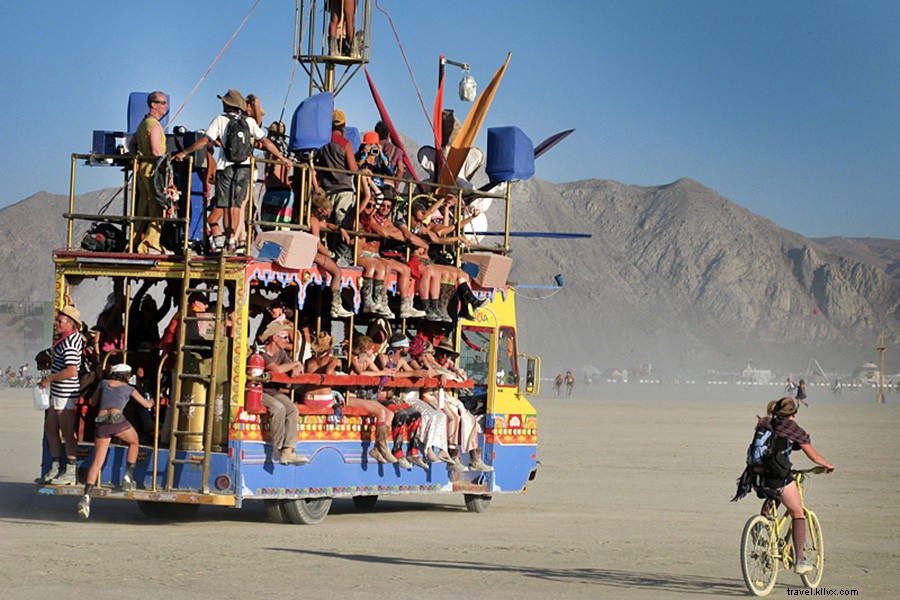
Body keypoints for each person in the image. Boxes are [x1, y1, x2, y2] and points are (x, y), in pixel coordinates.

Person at [173, 89, 290, 253]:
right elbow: (265, 142)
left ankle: (226, 242)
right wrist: (282, 158)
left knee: (225, 205)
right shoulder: (249, 122)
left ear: (226, 104)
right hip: (244, 168)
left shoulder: (220, 120)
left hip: (226, 167)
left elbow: (205, 140)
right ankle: (234, 241)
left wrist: (184, 152)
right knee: (236, 206)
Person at [755, 397, 834, 575]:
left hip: (756, 477)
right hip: (778, 476)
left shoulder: (765, 425)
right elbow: (813, 455)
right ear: (792, 414)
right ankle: (800, 559)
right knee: (798, 512)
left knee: (775, 495)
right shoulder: (791, 428)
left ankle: (761, 526)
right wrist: (827, 465)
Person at [77, 363, 155, 520]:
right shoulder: (129, 388)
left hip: (101, 421)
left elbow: (93, 402)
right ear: (126, 375)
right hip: (117, 419)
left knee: (97, 462)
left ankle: (86, 497)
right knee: (134, 441)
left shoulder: (103, 383)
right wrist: (152, 401)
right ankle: (128, 476)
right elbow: (145, 404)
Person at [36, 306, 84, 485]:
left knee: (67, 430)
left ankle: (71, 470)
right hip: (58, 392)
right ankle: (56, 466)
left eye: (60, 321)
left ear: (70, 324)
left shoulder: (69, 343)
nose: (56, 323)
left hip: (65, 392)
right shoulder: (70, 338)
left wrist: (49, 378)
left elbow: (71, 371)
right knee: (50, 427)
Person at [259, 321, 308, 465]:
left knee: (292, 409)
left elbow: (291, 369)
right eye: (285, 337)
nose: (287, 341)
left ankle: (288, 450)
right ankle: (278, 448)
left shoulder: (281, 354)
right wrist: (296, 364)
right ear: (275, 338)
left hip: (274, 391)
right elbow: (278, 369)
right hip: (259, 391)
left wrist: (296, 367)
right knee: (278, 408)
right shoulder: (261, 354)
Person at [128, 91, 169, 254]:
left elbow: (132, 144)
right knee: (158, 206)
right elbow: (156, 151)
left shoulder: (143, 124)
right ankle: (151, 243)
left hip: (143, 168)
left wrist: (136, 159)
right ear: (153, 104)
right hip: (153, 170)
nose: (166, 106)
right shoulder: (154, 126)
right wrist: (165, 168)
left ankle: (134, 241)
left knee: (143, 205)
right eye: (162, 103)